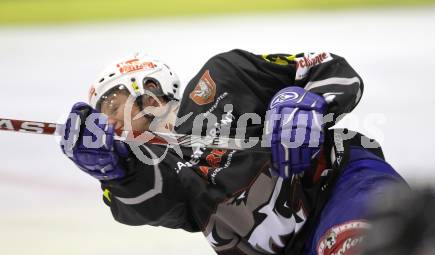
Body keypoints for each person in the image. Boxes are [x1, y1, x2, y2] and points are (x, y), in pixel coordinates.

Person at [60, 50, 407, 255]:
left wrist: (306, 101)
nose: (106, 124)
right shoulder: (156, 170)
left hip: (342, 184)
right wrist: (114, 173)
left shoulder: (223, 76)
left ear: (151, 90)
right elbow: (146, 205)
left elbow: (327, 68)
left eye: (111, 105)